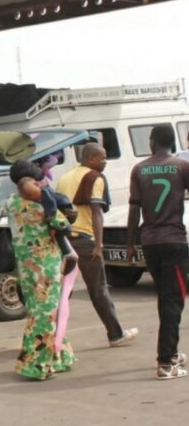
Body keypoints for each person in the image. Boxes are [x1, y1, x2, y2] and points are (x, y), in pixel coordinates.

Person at [55, 143, 138, 347]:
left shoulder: (64, 178)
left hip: (65, 241)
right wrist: (99, 245)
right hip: (86, 240)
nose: (105, 162)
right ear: (91, 159)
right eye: (102, 158)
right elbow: (96, 211)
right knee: (99, 290)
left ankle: (51, 335)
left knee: (63, 292)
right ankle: (115, 334)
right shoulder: (95, 177)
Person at [126, 125, 189, 380]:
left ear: (153, 142)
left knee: (165, 298)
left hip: (150, 242)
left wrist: (130, 244)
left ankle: (171, 353)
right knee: (174, 300)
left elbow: (133, 209)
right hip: (174, 241)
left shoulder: (139, 169)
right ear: (171, 142)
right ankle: (165, 363)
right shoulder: (182, 167)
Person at [6, 159, 75, 381]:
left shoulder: (11, 201)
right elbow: (63, 225)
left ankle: (60, 356)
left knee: (42, 310)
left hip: (25, 266)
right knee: (45, 314)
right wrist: (54, 206)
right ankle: (34, 364)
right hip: (45, 265)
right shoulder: (38, 205)